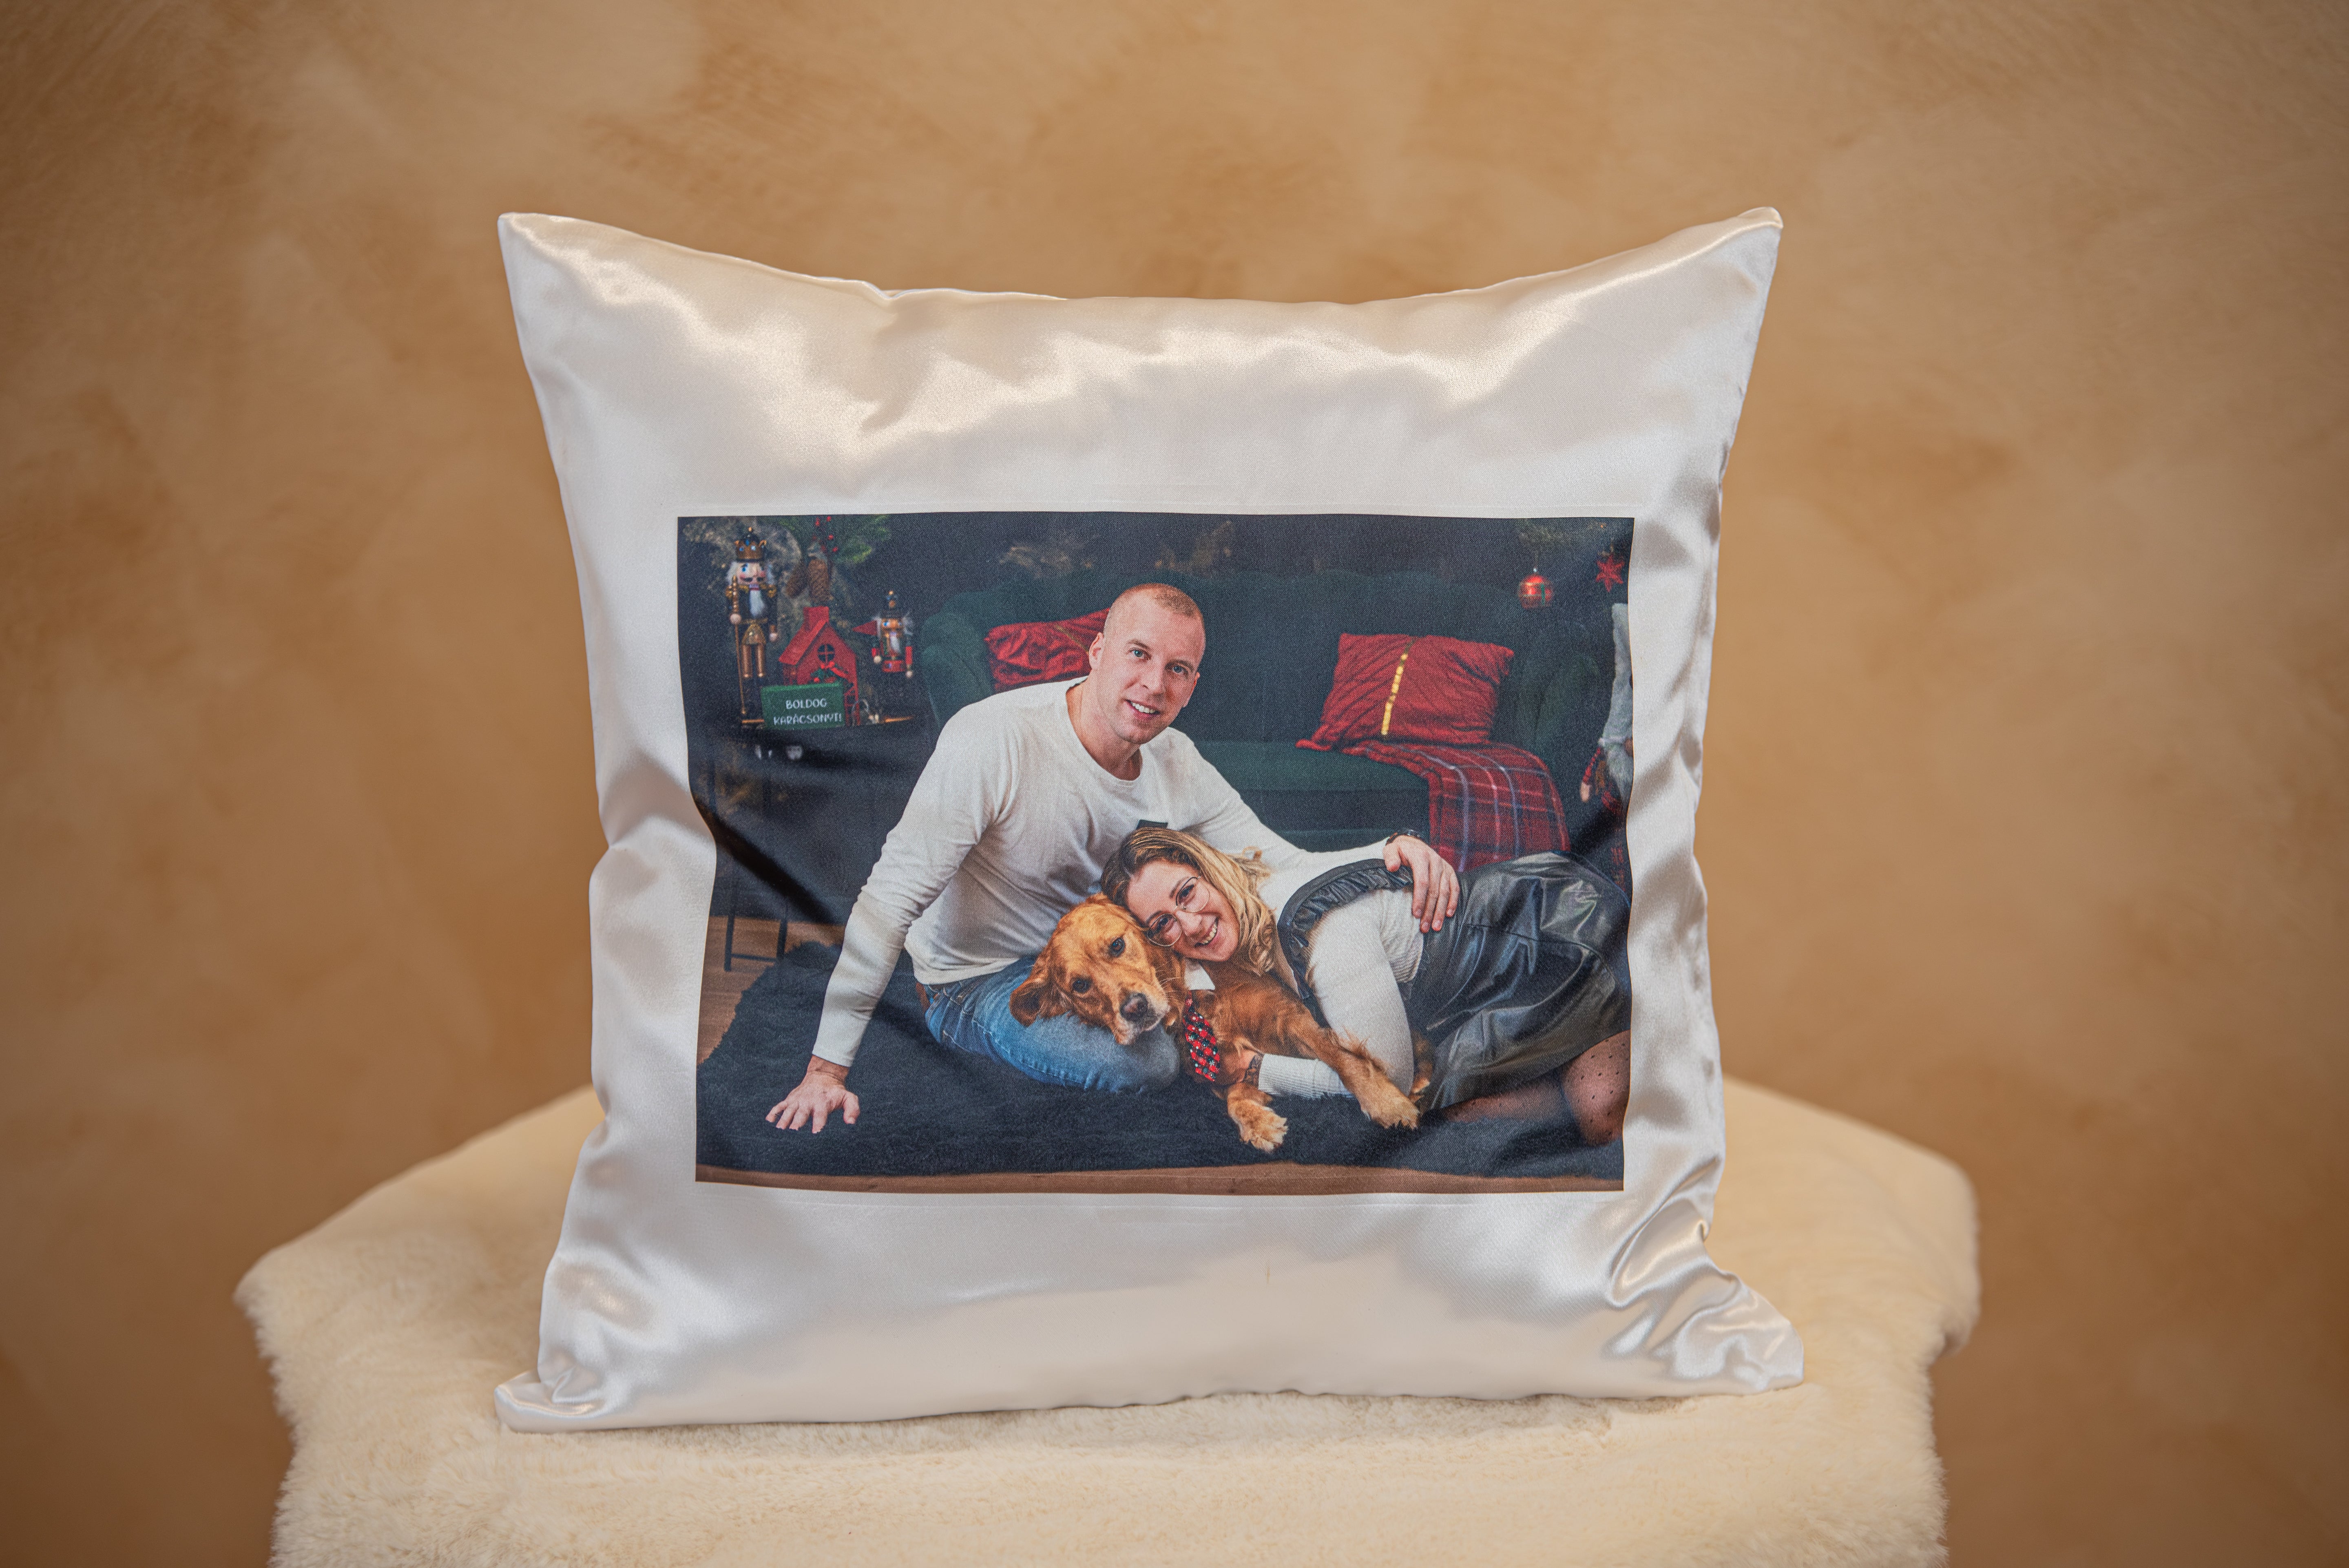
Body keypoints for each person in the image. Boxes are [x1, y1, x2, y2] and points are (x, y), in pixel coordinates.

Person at [766, 584, 1461, 1132]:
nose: (1154, 684)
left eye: (1177, 669)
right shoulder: (992, 740)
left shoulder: (1175, 759)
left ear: (1192, 685)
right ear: (1096, 652)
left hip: (1113, 956)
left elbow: (1272, 859)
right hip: (978, 978)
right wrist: (827, 1070)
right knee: (1146, 1064)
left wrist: (1387, 849)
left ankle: (1263, 1057)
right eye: (1138, 654)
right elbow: (889, 899)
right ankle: (991, 1033)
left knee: (1235, 950)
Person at [1102, 825, 1631, 1145]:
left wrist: (1259, 1069)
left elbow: (1386, 1082)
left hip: (1549, 937)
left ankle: (1618, 1025)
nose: (1190, 925)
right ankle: (1561, 1057)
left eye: (1187, 894)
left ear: (1208, 869)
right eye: (1163, 924)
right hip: (1462, 999)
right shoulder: (1240, 914)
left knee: (1599, 1121)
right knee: (1451, 1098)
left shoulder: (1319, 929)